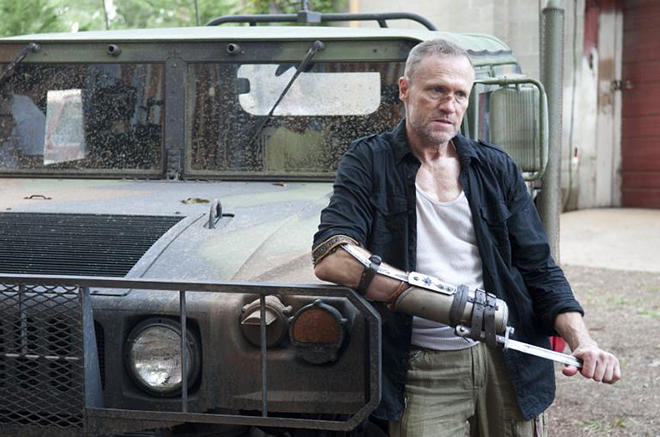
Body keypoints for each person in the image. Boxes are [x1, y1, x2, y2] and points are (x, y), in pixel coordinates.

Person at [311, 39, 620, 437]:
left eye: (460, 94)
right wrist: (441, 300)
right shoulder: (368, 161)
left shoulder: (495, 167)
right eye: (436, 90)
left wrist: (582, 340)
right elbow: (332, 256)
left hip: (507, 357)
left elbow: (540, 269)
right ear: (405, 89)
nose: (449, 105)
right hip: (421, 365)